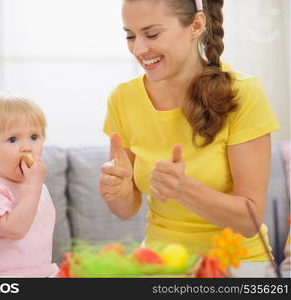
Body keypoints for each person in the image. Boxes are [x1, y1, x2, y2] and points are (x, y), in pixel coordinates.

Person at [100, 0, 280, 261]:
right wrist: (116, 190)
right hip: (161, 262)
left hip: (236, 262)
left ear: (196, 25)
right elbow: (125, 210)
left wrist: (184, 189)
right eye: (130, 35)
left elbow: (249, 220)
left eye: (152, 34)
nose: (138, 49)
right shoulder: (123, 98)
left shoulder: (243, 93)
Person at [0, 94, 58, 277]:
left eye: (34, 136)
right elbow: (14, 230)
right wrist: (34, 185)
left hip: (43, 273)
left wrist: (34, 185)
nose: (27, 147)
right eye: (13, 139)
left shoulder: (39, 188)